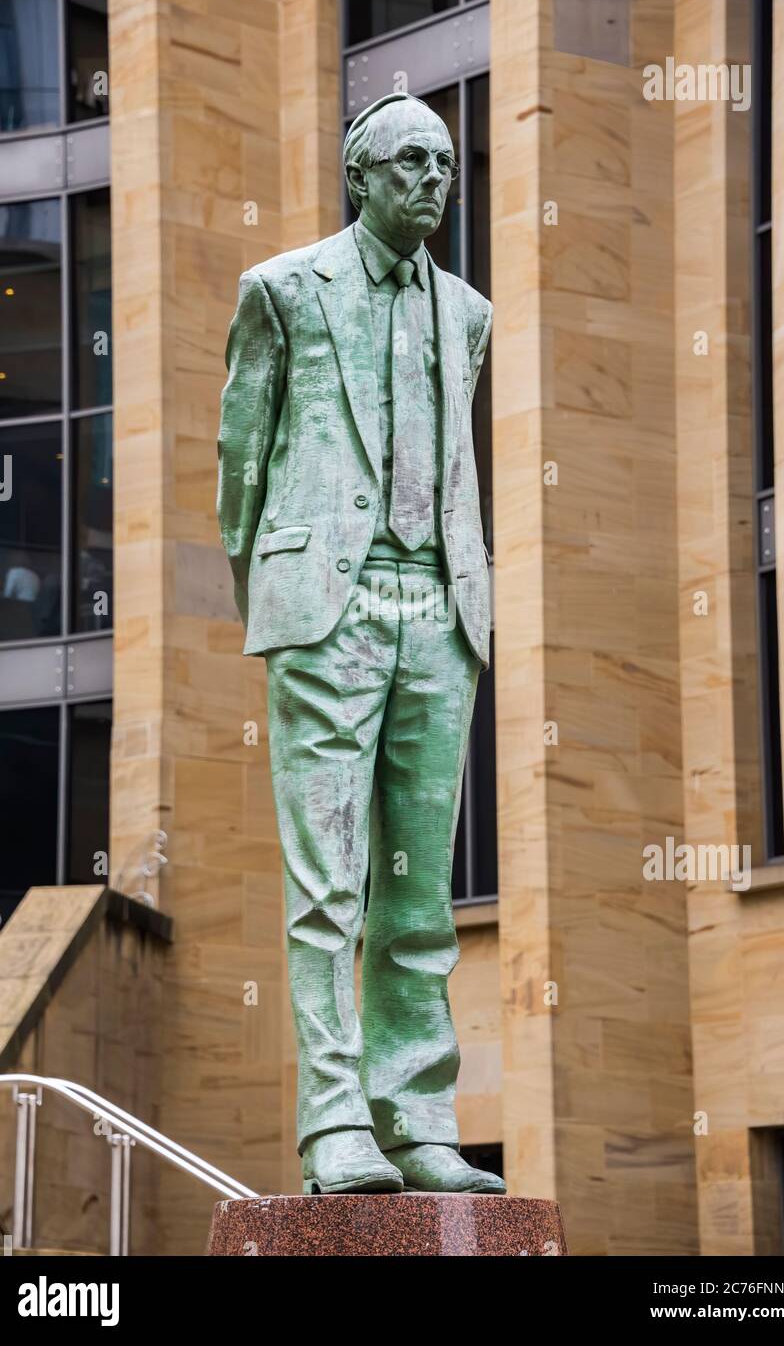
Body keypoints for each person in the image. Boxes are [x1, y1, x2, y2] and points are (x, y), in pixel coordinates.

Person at [218, 93, 504, 1195]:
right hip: (329, 616)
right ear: (361, 176)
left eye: (445, 164)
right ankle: (336, 1121)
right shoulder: (285, 291)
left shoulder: (470, 313)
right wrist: (282, 594)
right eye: (410, 163)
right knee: (330, 883)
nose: (434, 181)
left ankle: (418, 1117)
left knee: (418, 891)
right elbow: (240, 459)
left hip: (440, 613)